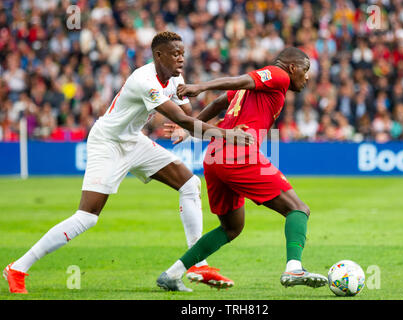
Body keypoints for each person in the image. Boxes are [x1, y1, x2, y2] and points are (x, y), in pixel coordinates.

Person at [3, 31, 253, 294]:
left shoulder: (176, 77)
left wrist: (186, 130)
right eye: (175, 53)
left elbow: (187, 116)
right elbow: (183, 119)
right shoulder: (144, 80)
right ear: (158, 55)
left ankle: (197, 264)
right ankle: (18, 268)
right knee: (87, 217)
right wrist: (227, 134)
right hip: (107, 143)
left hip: (133, 140)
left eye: (183, 53)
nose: (181, 58)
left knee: (190, 184)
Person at [158, 47, 328, 291]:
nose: (308, 77)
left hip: (215, 157)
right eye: (306, 70)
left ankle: (172, 274)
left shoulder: (253, 91)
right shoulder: (278, 75)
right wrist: (200, 87)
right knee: (298, 209)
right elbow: (242, 79)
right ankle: (294, 268)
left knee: (231, 227)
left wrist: (189, 129)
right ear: (293, 68)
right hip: (239, 154)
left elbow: (219, 102)